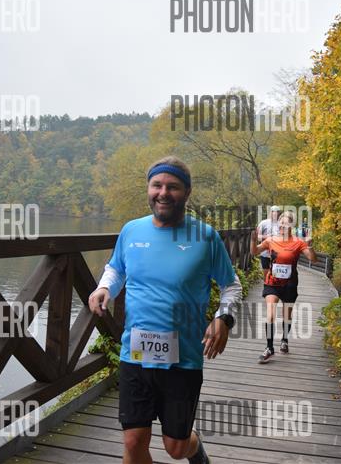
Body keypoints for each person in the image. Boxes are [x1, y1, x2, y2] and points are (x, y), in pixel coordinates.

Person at [88, 156, 243, 464]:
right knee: (133, 441)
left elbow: (231, 285)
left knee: (176, 448)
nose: (163, 193)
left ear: (187, 192)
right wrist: (104, 287)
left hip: (183, 359)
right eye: (156, 185)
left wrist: (224, 319)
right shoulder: (131, 231)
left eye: (172, 187)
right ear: (148, 189)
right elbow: (116, 269)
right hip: (135, 354)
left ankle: (195, 449)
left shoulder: (205, 236)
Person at [250, 210, 316, 363]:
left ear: (292, 226)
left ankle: (284, 339)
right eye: (281, 223)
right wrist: (253, 240)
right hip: (272, 283)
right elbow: (254, 252)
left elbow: (313, 259)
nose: (283, 226)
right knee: (270, 314)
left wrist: (310, 245)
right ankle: (269, 348)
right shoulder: (271, 240)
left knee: (287, 315)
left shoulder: (298, 242)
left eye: (286, 224)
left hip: (290, 284)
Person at [256, 205, 281, 276]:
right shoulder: (263, 223)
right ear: (270, 212)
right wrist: (268, 237)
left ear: (279, 213)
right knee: (266, 273)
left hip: (277, 252)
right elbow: (258, 237)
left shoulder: (281, 224)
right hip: (265, 252)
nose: (275, 213)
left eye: (277, 212)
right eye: (273, 211)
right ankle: (266, 282)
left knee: (276, 273)